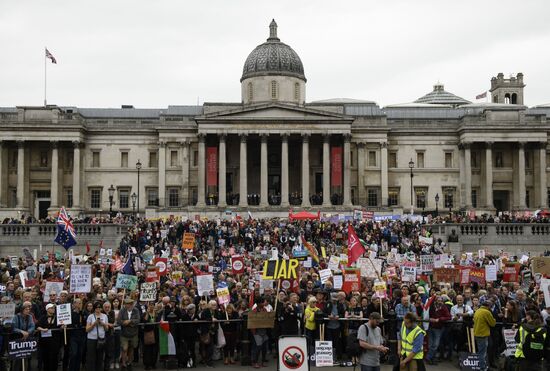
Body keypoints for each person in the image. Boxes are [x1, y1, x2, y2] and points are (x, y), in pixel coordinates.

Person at [425, 296, 451, 365]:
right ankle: (432, 358)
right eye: (438, 300)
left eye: (441, 301)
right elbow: (426, 314)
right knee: (430, 345)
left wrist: (439, 319)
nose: (440, 302)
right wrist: (430, 318)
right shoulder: (431, 307)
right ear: (435, 301)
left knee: (436, 345)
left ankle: (428, 357)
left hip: (438, 328)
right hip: (430, 327)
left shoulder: (444, 307)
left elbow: (449, 317)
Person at [37, 303, 62, 371]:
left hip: (55, 341)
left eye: (54, 308)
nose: (53, 309)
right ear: (47, 309)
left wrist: (63, 326)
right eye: (51, 308)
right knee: (46, 359)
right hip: (45, 342)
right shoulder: (42, 318)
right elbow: (38, 327)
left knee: (54, 359)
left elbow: (61, 327)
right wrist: (43, 329)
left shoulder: (58, 318)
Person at [11, 301, 36, 371]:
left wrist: (27, 332)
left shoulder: (30, 316)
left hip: (27, 339)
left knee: (26, 357)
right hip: (17, 339)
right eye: (26, 309)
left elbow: (32, 326)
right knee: (17, 358)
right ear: (22, 310)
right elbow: (13, 328)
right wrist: (22, 332)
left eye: (29, 309)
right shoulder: (16, 317)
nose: (28, 311)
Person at [117, 298, 140, 371]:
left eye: (130, 304)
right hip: (124, 334)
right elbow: (119, 321)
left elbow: (138, 320)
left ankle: (129, 363)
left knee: (131, 348)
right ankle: (123, 364)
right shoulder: (122, 310)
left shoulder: (136, 310)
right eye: (127, 304)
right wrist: (124, 322)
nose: (128, 306)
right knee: (124, 349)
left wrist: (129, 321)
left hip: (134, 333)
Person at [473, 298, 496, 371]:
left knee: (481, 351)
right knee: (482, 353)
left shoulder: (478, 311)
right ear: (488, 306)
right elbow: (492, 324)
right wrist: (494, 320)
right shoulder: (486, 312)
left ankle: (483, 366)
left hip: (477, 333)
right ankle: (483, 368)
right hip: (482, 334)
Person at [86, 301, 109, 371]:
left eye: (99, 308)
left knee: (100, 357)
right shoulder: (90, 316)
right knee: (91, 358)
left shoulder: (105, 316)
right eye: (96, 308)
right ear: (94, 308)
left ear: (101, 308)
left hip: (101, 339)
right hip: (91, 339)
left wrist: (103, 324)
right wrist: (94, 324)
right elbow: (87, 329)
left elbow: (107, 329)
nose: (98, 309)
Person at [69, 298, 87, 371]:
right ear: (74, 304)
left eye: (80, 303)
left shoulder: (83, 313)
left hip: (82, 336)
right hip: (73, 336)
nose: (79, 305)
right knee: (74, 354)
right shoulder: (70, 313)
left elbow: (85, 323)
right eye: (78, 303)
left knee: (80, 354)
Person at [142, 302, 158, 370]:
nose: (151, 307)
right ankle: (147, 364)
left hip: (155, 333)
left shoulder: (156, 314)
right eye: (150, 306)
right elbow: (144, 321)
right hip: (148, 333)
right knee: (147, 350)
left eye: (152, 305)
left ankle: (153, 363)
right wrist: (147, 313)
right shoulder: (145, 314)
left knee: (154, 350)